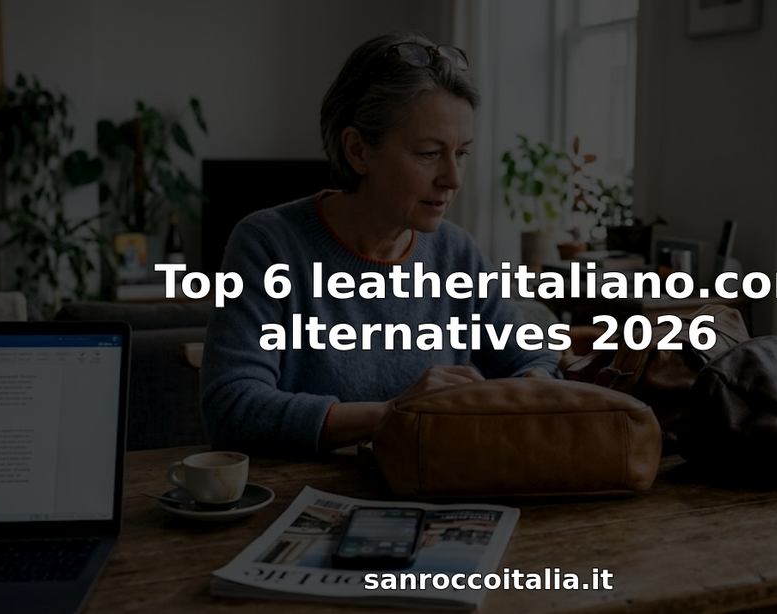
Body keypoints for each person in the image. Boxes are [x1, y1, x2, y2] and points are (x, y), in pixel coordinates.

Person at [201, 32, 562, 458]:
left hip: (434, 489)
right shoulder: (269, 244)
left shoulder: (456, 252)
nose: (453, 179)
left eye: (461, 153)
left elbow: (532, 360)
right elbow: (233, 409)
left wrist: (532, 386)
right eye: (429, 153)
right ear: (357, 151)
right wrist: (393, 413)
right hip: (303, 496)